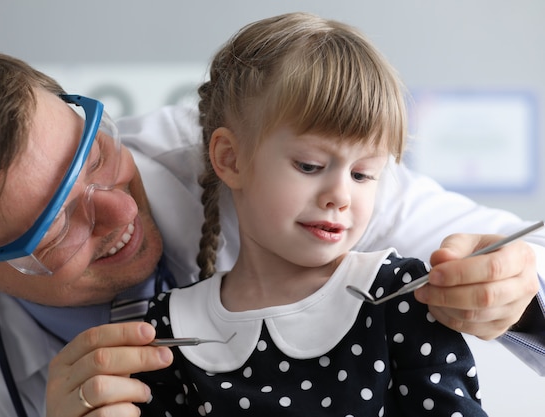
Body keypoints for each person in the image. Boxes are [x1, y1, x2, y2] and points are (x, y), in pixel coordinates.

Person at [0, 39, 542, 417]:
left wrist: (514, 290)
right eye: (54, 227)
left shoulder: (280, 159)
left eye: (93, 154)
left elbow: (526, 257)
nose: (118, 210)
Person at [137, 13, 488, 416]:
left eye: (362, 174)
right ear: (230, 159)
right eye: (309, 166)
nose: (340, 195)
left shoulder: (398, 296)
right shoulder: (169, 325)